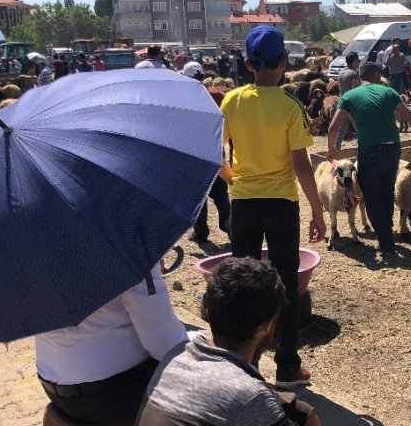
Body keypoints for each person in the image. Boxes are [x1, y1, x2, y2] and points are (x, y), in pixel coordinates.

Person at [220, 26, 326, 389]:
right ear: (283, 62)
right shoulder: (289, 105)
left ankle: (243, 365)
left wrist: (235, 180)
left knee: (244, 286)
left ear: (248, 64)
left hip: (244, 204)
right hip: (281, 204)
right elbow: (301, 163)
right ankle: (287, 367)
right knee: (286, 285)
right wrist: (318, 210)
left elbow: (214, 154)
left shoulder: (231, 101)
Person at [137, 257, 321, 426]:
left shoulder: (175, 358)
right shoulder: (252, 398)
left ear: (209, 311)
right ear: (267, 324)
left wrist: (299, 409)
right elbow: (246, 398)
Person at [35, 265, 189, 424]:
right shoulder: (126, 248)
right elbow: (165, 344)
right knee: (199, 388)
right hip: (111, 393)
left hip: (55, 387)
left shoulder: (33, 253)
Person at [326, 62, 411, 254]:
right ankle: (386, 233)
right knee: (386, 191)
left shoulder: (349, 96)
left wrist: (331, 149)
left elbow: (333, 127)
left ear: (361, 77)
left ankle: (385, 239)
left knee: (372, 195)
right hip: (392, 149)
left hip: (369, 150)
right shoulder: (389, 92)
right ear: (375, 75)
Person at [180, 62, 231, 244]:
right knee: (220, 192)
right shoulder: (218, 95)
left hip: (193, 154)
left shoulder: (180, 100)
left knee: (199, 196)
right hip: (216, 150)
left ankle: (201, 232)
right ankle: (229, 223)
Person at [335, 51, 361, 150]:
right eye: (358, 60)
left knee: (341, 129)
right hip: (351, 105)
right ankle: (364, 148)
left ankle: (336, 149)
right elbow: (356, 90)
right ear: (354, 61)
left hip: (342, 103)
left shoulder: (341, 72)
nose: (359, 63)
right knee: (360, 128)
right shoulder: (354, 74)